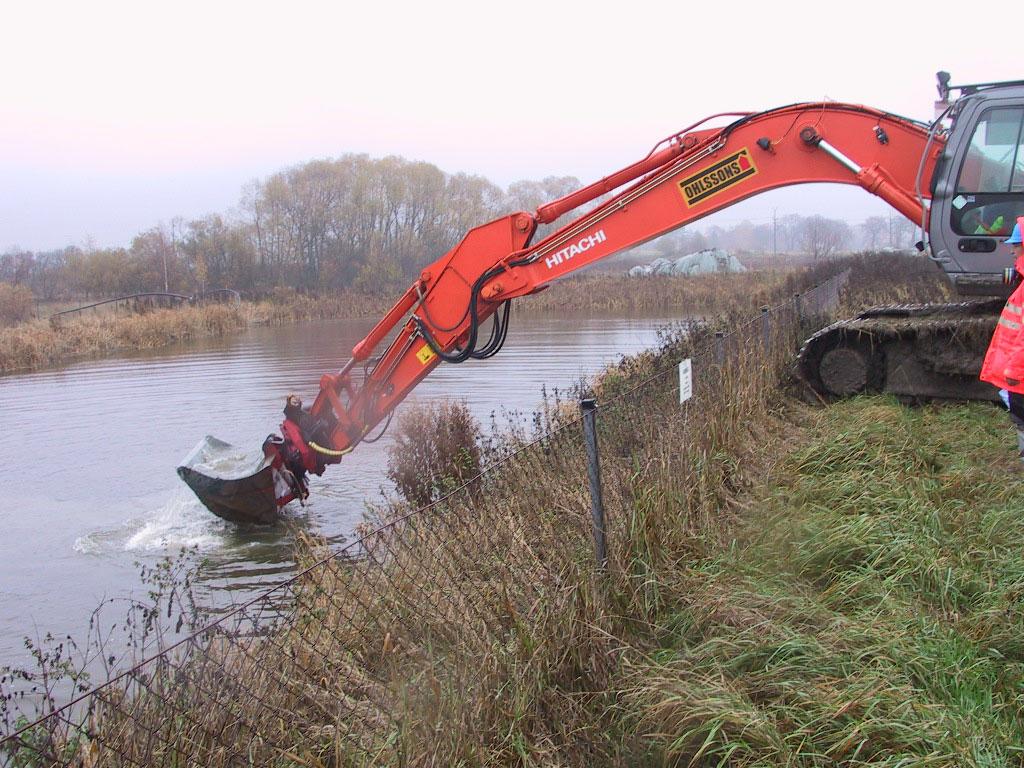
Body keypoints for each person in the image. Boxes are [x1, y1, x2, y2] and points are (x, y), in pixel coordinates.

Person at [980, 216, 1024, 463]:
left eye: (1016, 244)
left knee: (1021, 420)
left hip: (1021, 378)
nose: (1011, 249)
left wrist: (1013, 372)